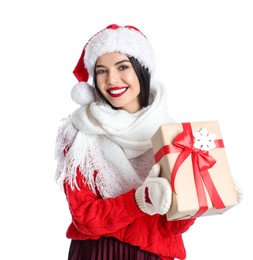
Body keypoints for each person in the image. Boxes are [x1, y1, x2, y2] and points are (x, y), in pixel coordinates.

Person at [55, 24, 196, 260]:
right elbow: (84, 217)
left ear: (142, 69)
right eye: (101, 71)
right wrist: (140, 200)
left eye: (122, 67)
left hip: (156, 254)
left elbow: (172, 227)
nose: (112, 79)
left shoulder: (173, 134)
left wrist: (202, 196)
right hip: (100, 252)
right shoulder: (79, 134)